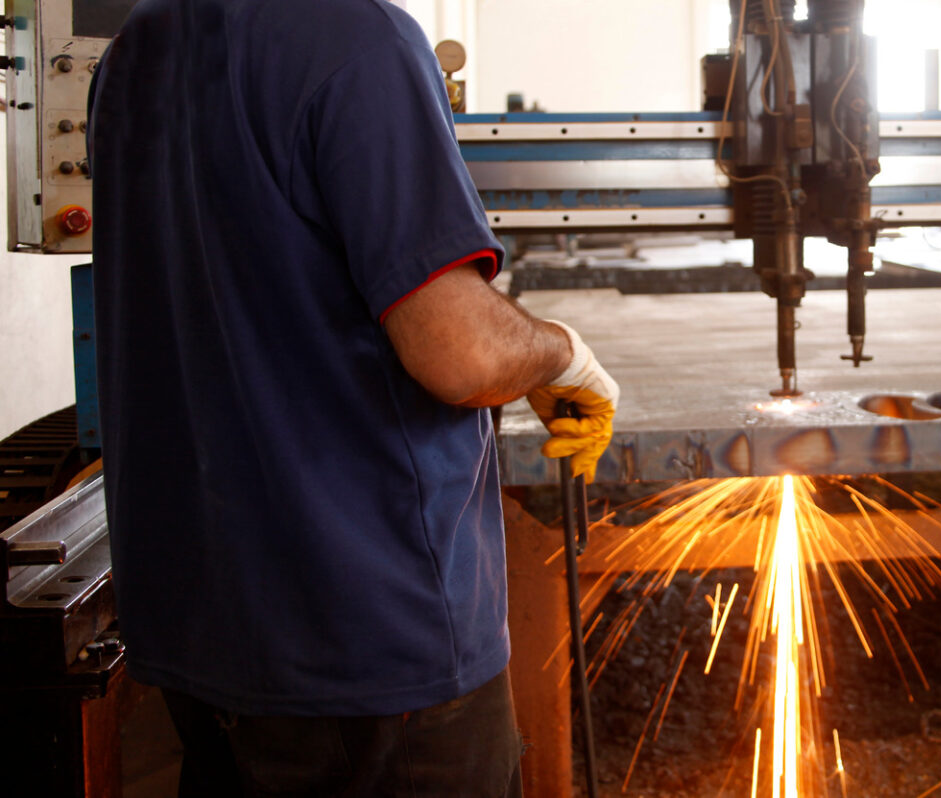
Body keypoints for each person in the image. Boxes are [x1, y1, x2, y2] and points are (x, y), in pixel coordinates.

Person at [87, 0, 617, 795]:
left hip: (202, 634)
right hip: (368, 643)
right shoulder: (357, 37)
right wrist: (562, 357)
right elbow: (463, 355)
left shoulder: (135, 50)